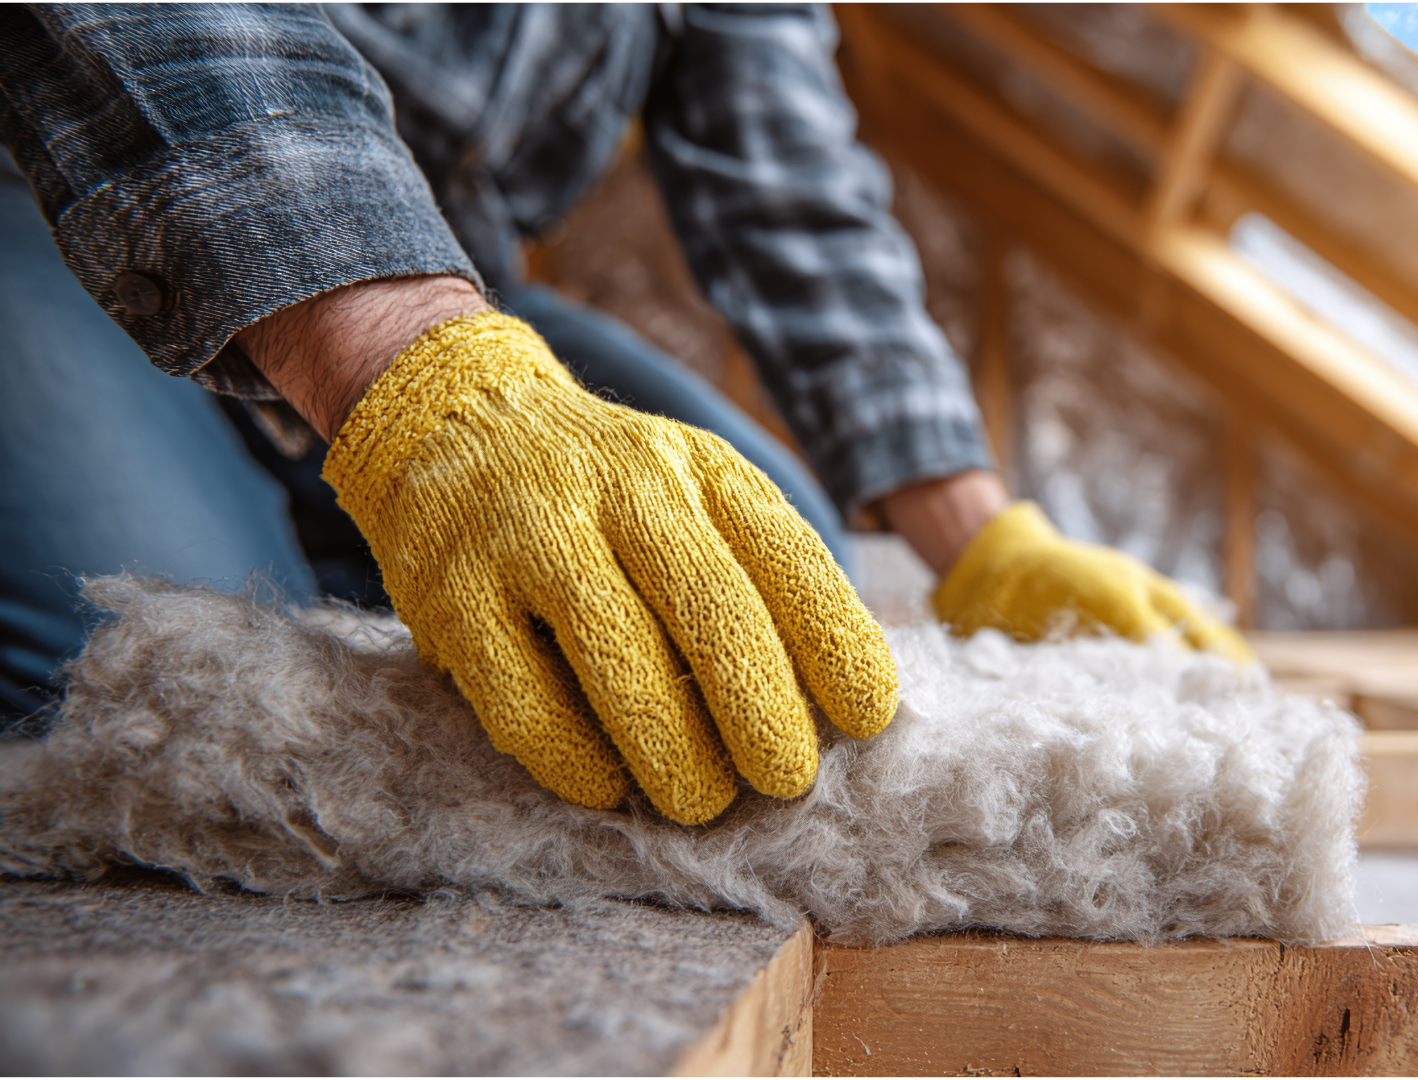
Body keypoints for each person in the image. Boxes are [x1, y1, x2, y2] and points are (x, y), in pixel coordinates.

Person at [0, 4, 1248, 824]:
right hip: (76, 213)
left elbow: (795, 205)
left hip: (458, 284)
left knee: (763, 553)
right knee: (135, 687)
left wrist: (980, 537)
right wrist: (434, 390)